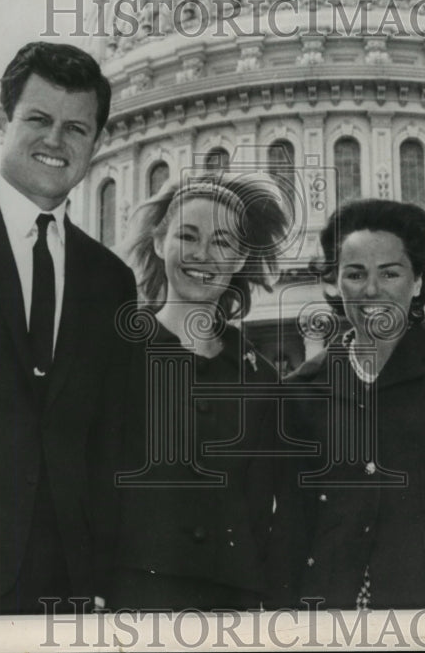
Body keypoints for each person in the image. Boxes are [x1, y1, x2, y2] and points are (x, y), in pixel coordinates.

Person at [0, 41, 136, 614]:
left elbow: (110, 447)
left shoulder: (111, 280)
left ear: (97, 143)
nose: (55, 141)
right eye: (38, 119)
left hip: (66, 584)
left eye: (76, 128)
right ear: (0, 122)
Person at [271, 199, 425, 609]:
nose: (371, 290)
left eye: (390, 273)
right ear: (334, 282)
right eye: (355, 274)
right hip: (332, 616)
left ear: (418, 281)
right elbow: (291, 528)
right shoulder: (303, 390)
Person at [111, 173, 290, 610]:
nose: (203, 255)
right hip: (132, 598)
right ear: (158, 242)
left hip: (231, 603)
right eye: (187, 236)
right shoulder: (112, 356)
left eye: (223, 243)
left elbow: (259, 510)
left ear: (242, 256)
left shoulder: (262, 379)